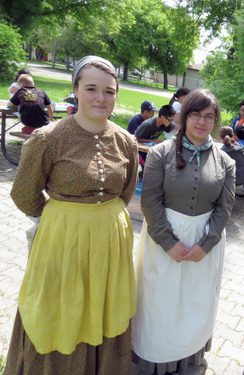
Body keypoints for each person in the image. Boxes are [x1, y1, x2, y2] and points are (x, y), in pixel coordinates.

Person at [4, 55, 138, 375]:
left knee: (106, 310)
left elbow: (126, 191)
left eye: (109, 91)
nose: (101, 98)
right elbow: (23, 194)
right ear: (76, 89)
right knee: (59, 312)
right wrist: (61, 220)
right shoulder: (48, 139)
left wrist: (103, 221)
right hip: (63, 245)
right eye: (91, 88)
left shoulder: (126, 141)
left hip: (110, 247)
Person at [131, 89, 235, 374]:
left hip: (205, 247)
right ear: (184, 116)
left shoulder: (226, 162)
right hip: (162, 241)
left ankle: (188, 360)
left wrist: (206, 244)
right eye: (196, 115)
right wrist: (168, 242)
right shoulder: (160, 153)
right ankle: (154, 363)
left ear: (215, 120)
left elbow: (224, 209)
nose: (202, 122)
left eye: (209, 116)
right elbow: (150, 201)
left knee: (195, 304)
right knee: (159, 303)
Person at [220, 125, 244, 195]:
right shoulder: (238, 144)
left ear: (221, 137)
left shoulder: (224, 149)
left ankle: (226, 191)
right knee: (240, 164)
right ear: (233, 135)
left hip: (237, 179)